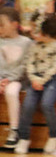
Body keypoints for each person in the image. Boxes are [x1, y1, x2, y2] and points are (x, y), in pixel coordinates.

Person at [13, 15, 56, 155]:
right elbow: (29, 64)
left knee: (47, 104)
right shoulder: (34, 46)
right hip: (35, 80)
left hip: (52, 80)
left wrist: (42, 81)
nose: (32, 33)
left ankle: (54, 135)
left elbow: (55, 66)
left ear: (45, 33)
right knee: (28, 105)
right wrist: (34, 79)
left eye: (36, 31)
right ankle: (24, 138)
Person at [0, 8, 32, 148]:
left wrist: (10, 79)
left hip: (17, 80)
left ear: (14, 24)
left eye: (2, 25)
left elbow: (25, 65)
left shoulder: (26, 42)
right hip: (2, 79)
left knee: (11, 92)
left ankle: (14, 130)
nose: (0, 29)